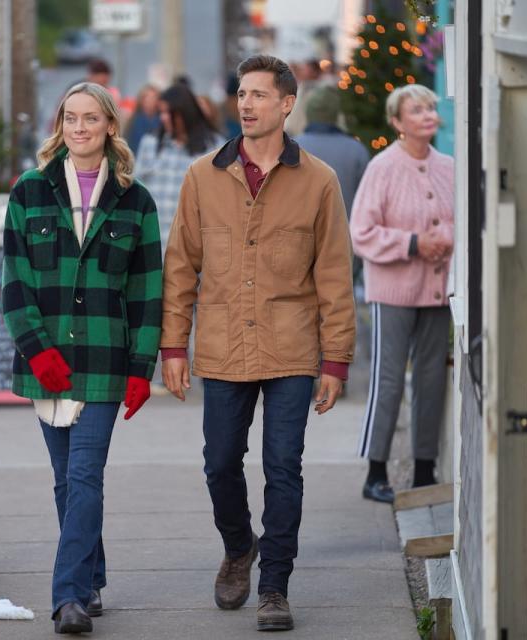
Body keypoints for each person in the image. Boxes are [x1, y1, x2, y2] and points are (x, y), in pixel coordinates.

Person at [160, 55, 355, 633]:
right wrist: (174, 347)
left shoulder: (319, 181)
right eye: (241, 94)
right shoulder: (203, 177)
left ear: (287, 104)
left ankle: (274, 585)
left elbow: (334, 277)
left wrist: (336, 359)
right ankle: (238, 545)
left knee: (283, 467)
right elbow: (180, 269)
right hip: (222, 344)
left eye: (259, 95)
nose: (245, 104)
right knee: (220, 463)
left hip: (292, 346)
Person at [1, 82, 163, 634]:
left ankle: (68, 596)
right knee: (65, 480)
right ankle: (91, 575)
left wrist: (142, 370)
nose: (79, 128)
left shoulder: (135, 201)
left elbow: (147, 293)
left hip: (103, 360)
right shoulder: (28, 193)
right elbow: (14, 283)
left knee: (85, 473)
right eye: (70, 118)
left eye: (90, 119)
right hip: (46, 358)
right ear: (60, 125)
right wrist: (35, 349)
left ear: (110, 126)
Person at [349, 84, 454, 504]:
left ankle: (425, 470)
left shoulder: (449, 167)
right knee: (388, 379)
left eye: (430, 107)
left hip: (438, 289)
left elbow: (463, 219)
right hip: (392, 289)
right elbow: (361, 232)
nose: (427, 114)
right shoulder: (382, 167)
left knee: (431, 378)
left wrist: (442, 238)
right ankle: (375, 471)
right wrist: (413, 244)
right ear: (397, 123)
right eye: (416, 109)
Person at [135, 83, 226, 250]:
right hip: (153, 249)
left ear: (185, 113)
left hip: (195, 252)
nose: (163, 118)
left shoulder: (215, 147)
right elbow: (135, 194)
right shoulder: (150, 144)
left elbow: (223, 205)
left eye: (168, 113)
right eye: (160, 112)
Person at [296, 86, 371, 282]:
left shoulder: (289, 148)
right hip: (343, 244)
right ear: (336, 114)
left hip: (297, 244)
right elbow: (366, 204)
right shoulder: (357, 151)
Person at [124, 84, 161, 153]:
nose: (150, 100)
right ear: (141, 99)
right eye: (147, 97)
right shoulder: (134, 120)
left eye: (153, 97)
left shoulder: (162, 121)